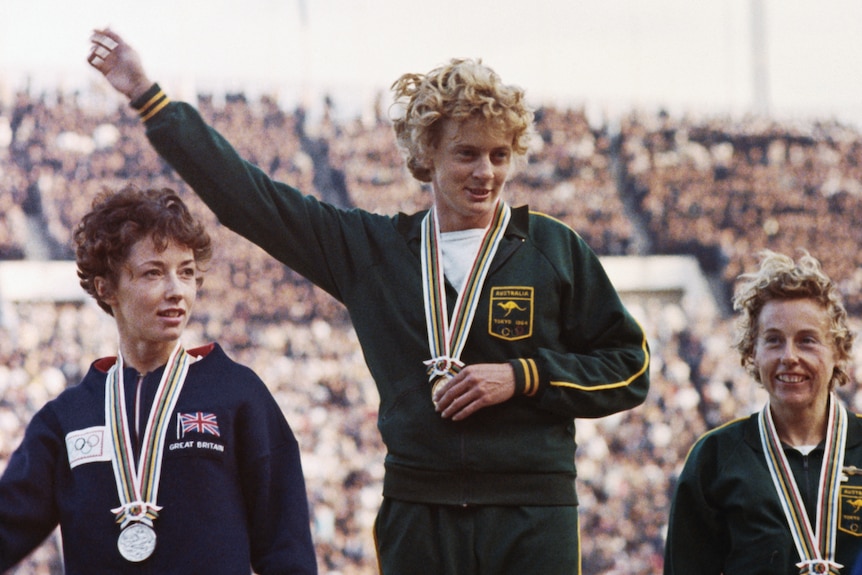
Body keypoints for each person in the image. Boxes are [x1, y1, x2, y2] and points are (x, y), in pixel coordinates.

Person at [87, 30, 650, 575]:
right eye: (467, 154)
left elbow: (631, 366)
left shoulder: (551, 247)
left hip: (535, 510)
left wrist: (522, 376)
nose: (486, 173)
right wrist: (148, 97)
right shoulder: (372, 250)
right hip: (417, 510)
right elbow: (249, 200)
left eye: (500, 155)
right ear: (426, 152)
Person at [0, 186, 317, 574]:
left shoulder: (238, 394)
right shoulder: (65, 419)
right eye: (154, 272)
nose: (177, 291)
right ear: (105, 287)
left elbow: (287, 552)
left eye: (186, 273)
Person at [664, 250, 862, 575]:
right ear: (751, 352)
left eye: (807, 341)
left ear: (838, 351)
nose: (789, 356)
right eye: (773, 341)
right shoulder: (715, 459)